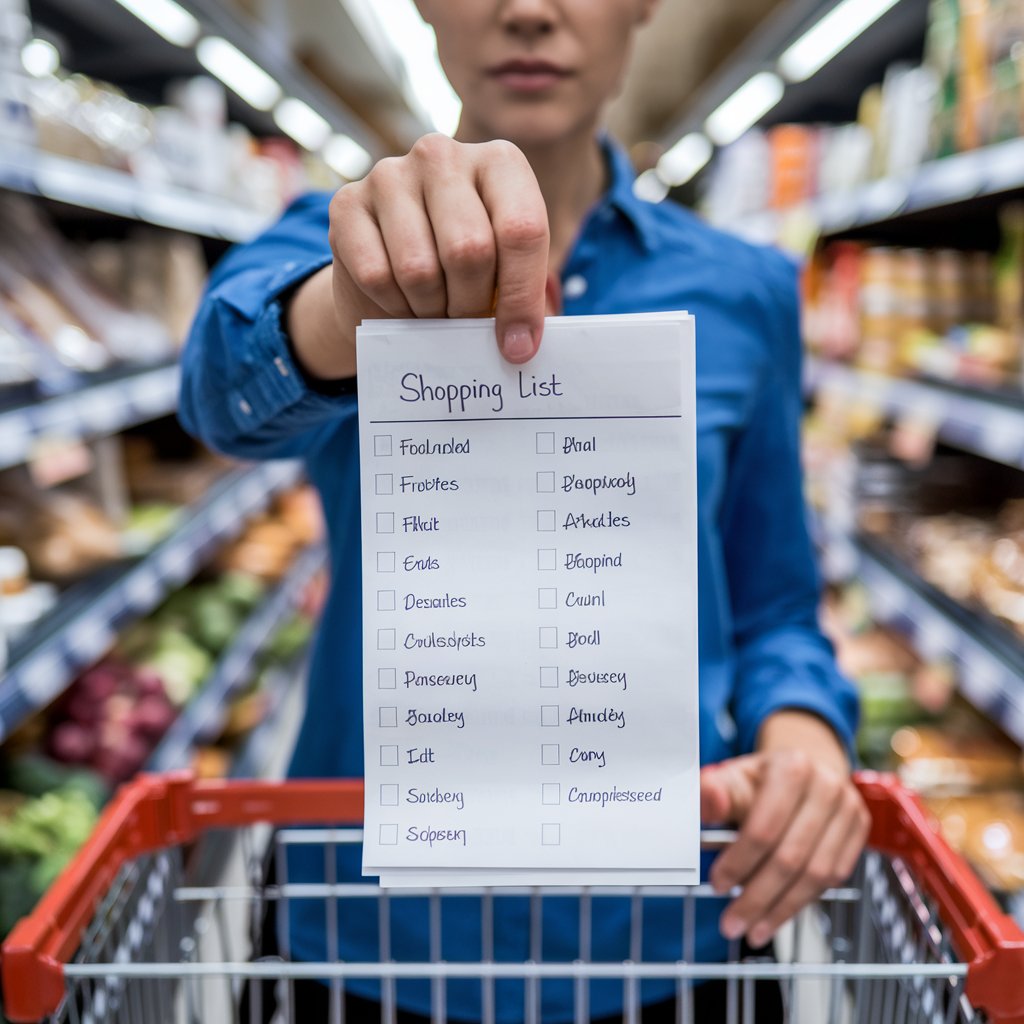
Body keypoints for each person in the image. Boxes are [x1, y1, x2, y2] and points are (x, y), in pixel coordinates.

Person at [180, 1, 870, 1020]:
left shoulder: (745, 289)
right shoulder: (330, 242)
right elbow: (219, 391)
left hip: (670, 924)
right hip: (373, 926)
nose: (529, 11)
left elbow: (769, 596)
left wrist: (804, 730)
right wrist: (343, 308)